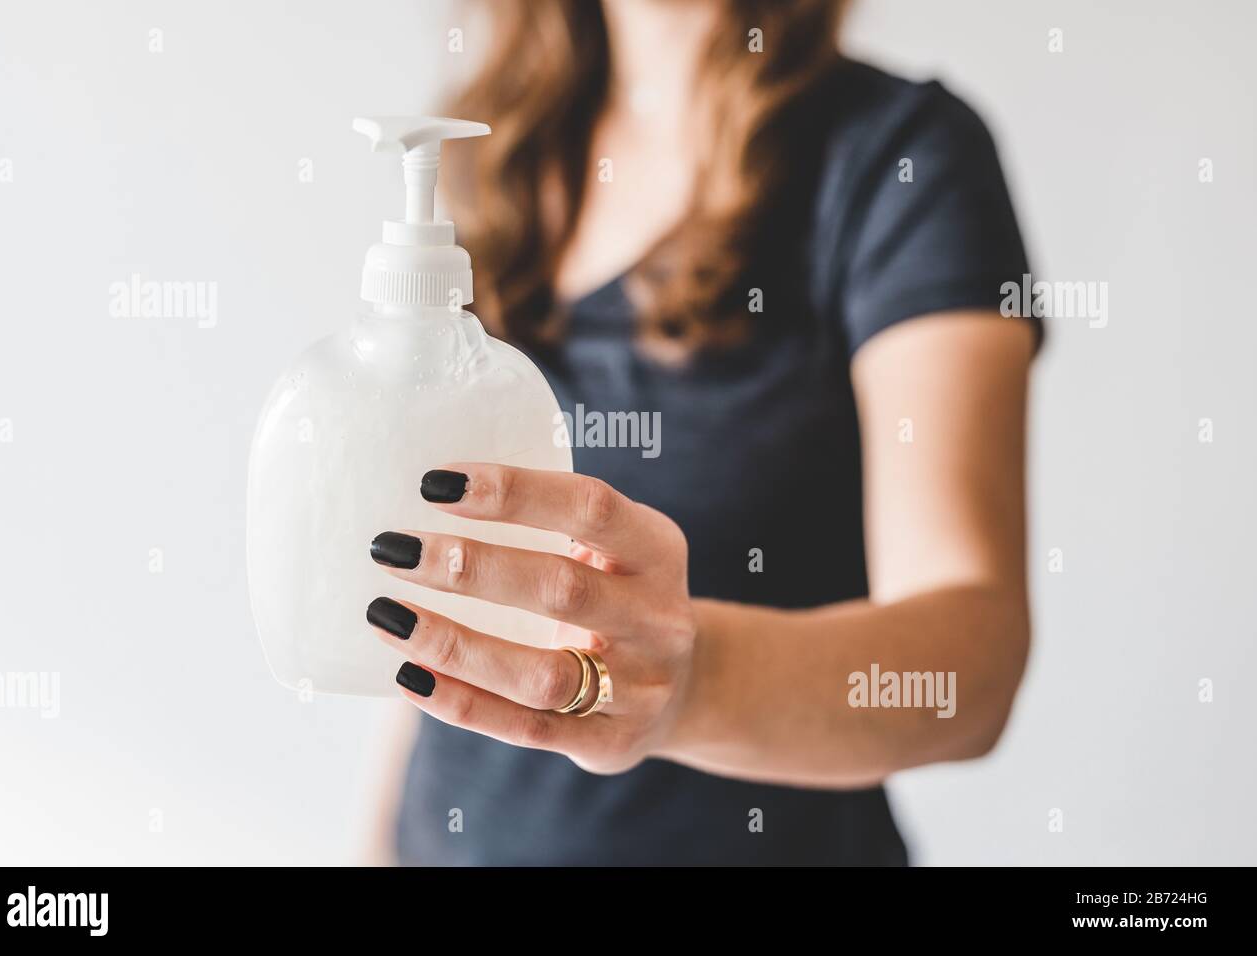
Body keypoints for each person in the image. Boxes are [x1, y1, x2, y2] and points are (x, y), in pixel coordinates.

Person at [366, 0, 1041, 865]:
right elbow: (440, 612)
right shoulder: (498, 157)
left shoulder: (902, 160)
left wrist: (687, 686)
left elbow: (971, 670)